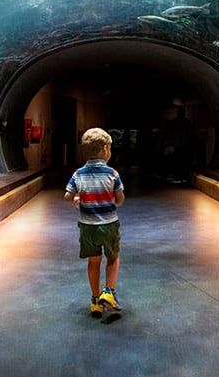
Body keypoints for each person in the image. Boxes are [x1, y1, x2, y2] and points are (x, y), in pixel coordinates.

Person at [64, 128, 125, 318]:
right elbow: (120, 198)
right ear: (106, 149)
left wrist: (76, 201)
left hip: (87, 226)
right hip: (109, 224)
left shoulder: (78, 174)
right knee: (113, 257)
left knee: (93, 260)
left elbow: (68, 196)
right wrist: (114, 201)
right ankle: (109, 292)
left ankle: (95, 300)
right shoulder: (112, 173)